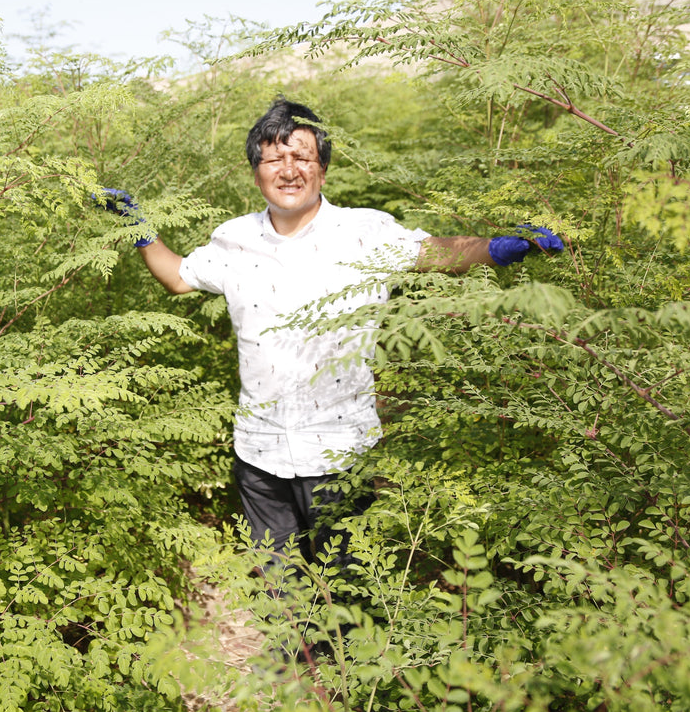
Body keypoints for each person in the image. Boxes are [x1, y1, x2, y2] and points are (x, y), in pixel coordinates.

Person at [106, 97, 561, 571]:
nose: (288, 170)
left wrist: (500, 248)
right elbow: (178, 276)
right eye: (273, 158)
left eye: (301, 157)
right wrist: (142, 230)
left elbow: (436, 253)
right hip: (258, 453)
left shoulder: (364, 232)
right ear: (255, 172)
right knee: (281, 596)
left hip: (341, 454)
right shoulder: (233, 239)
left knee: (346, 591)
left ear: (322, 168)